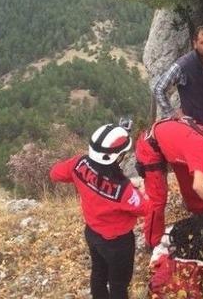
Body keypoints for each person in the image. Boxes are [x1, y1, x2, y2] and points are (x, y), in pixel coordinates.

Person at [50, 124, 149, 299]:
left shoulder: (79, 163)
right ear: (117, 157)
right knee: (118, 285)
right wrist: (141, 191)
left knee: (98, 274)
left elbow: (55, 173)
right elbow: (144, 208)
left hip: (93, 233)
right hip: (119, 242)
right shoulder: (123, 189)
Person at [134, 117, 203, 249]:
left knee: (190, 179)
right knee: (158, 198)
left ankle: (199, 212)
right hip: (151, 146)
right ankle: (152, 242)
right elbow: (199, 186)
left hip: (177, 145)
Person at [152, 25, 203, 141]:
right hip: (195, 126)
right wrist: (172, 113)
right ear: (195, 43)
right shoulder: (183, 65)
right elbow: (159, 88)